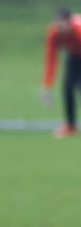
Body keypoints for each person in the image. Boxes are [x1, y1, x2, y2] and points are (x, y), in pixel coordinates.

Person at [40, 7, 81, 139]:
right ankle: (71, 126)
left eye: (62, 23)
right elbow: (51, 60)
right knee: (67, 88)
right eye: (57, 23)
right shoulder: (54, 33)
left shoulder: (79, 30)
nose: (60, 27)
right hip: (74, 57)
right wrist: (47, 85)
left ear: (69, 22)